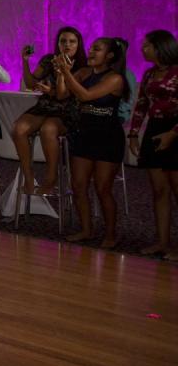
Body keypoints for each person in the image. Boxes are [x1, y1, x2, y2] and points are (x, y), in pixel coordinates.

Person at [54, 38, 127, 249]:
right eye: (91, 48)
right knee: (78, 185)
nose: (91, 51)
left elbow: (85, 96)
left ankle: (111, 234)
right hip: (85, 133)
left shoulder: (115, 78)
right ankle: (86, 230)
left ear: (110, 56)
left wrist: (66, 72)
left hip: (108, 137)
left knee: (103, 188)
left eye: (97, 49)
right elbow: (62, 94)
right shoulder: (84, 72)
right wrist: (61, 73)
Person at [11, 26, 86, 196]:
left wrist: (56, 83)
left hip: (68, 109)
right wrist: (25, 61)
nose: (67, 45)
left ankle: (51, 177)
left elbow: (63, 95)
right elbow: (30, 84)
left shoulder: (83, 65)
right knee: (18, 129)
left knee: (48, 129)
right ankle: (29, 177)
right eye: (63, 41)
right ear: (58, 43)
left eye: (72, 41)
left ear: (78, 44)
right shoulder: (49, 60)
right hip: (46, 106)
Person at [130, 30, 178, 258]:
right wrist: (133, 134)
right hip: (155, 129)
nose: (143, 48)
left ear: (160, 47)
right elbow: (141, 104)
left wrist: (172, 134)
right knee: (159, 190)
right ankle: (162, 242)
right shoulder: (149, 73)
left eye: (147, 45)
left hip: (175, 130)